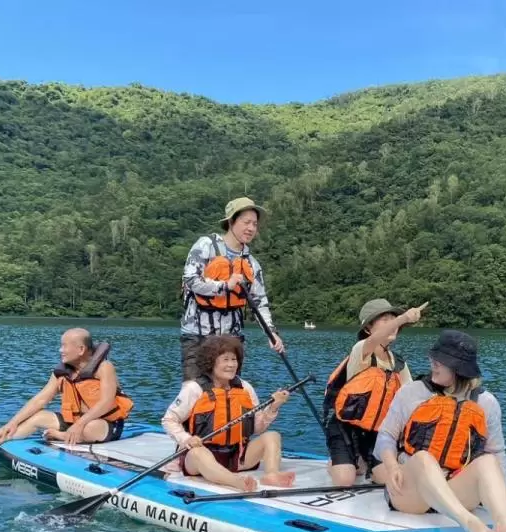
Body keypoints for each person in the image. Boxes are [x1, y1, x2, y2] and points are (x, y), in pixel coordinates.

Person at [374, 330, 506, 532]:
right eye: (434, 358)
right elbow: (385, 437)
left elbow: (496, 451)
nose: (433, 363)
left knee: (487, 460)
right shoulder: (412, 392)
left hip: (456, 488)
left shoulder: (486, 402)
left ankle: (504, 525)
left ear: (459, 369)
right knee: (423, 457)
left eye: (441, 361)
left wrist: (502, 488)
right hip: (412, 494)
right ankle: (469, 522)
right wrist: (391, 465)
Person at [0, 328, 134, 455]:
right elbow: (40, 400)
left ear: (81, 349)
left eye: (65, 346)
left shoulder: (104, 368)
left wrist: (79, 425)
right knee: (38, 417)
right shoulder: (62, 373)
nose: (61, 350)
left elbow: (106, 402)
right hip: (74, 422)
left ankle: (60, 435)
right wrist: (11, 423)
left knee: (90, 426)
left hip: (102, 425)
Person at [162, 334, 296, 492]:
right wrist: (186, 439)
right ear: (211, 362)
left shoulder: (245, 388)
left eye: (234, 360)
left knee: (272, 436)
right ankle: (237, 482)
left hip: (236, 456)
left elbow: (257, 428)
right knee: (198, 453)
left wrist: (273, 407)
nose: (231, 365)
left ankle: (272, 475)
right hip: (200, 458)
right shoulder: (194, 388)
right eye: (225, 360)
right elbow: (169, 420)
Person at [322, 298, 427, 486]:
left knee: (385, 479)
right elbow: (373, 340)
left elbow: (410, 400)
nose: (392, 325)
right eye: (384, 320)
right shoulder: (361, 350)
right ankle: (337, 463)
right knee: (345, 480)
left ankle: (362, 461)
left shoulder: (398, 364)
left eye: (392, 319)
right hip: (345, 426)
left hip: (376, 431)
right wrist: (403, 318)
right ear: (368, 328)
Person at [179, 197, 285, 381]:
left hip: (231, 339)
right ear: (231, 222)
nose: (251, 228)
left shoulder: (251, 263)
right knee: (195, 394)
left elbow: (259, 302)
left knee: (229, 396)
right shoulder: (205, 246)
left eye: (255, 224)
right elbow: (190, 280)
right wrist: (224, 286)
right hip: (198, 336)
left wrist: (272, 333)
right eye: (246, 222)